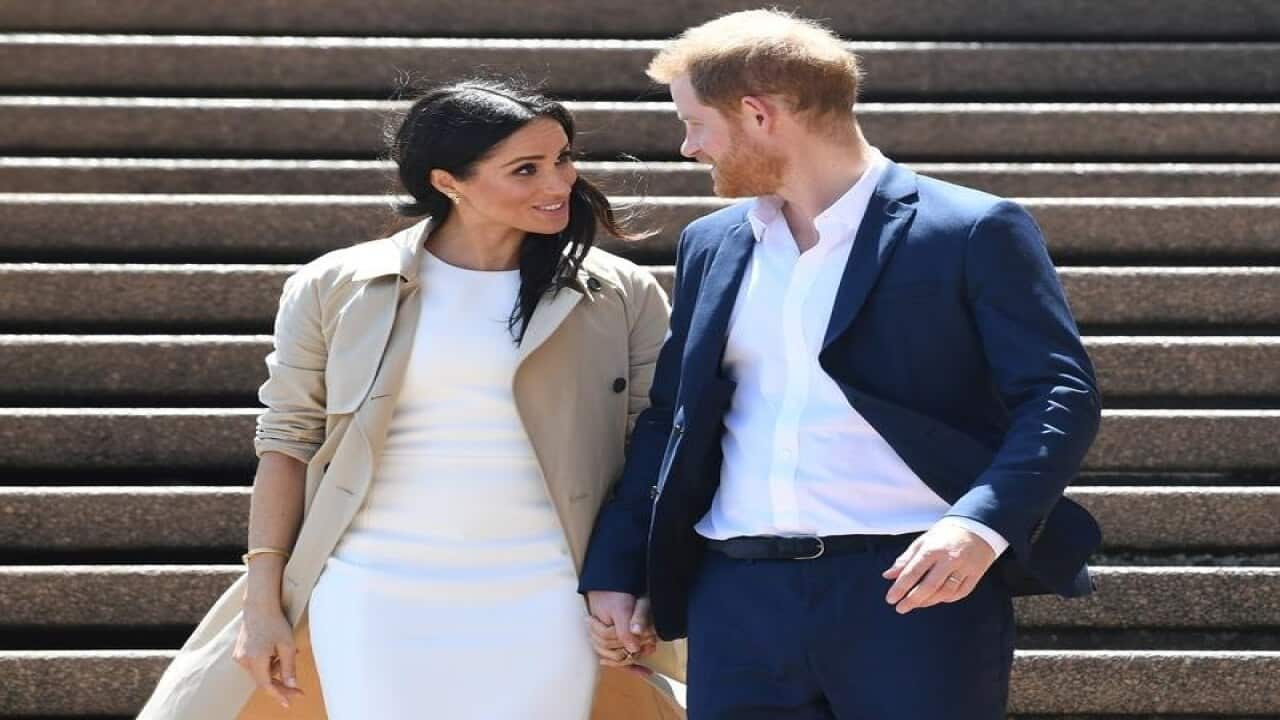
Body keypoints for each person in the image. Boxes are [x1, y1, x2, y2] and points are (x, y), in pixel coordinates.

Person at [579, 10, 1103, 719]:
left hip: (909, 588)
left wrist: (979, 526)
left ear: (759, 114)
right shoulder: (711, 243)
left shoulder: (969, 229)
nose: (686, 148)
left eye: (696, 124)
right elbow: (672, 417)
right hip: (735, 596)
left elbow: (1058, 394)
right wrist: (618, 566)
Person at [138, 79, 684, 720]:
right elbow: (286, 442)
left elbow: (654, 440)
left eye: (563, 158)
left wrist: (630, 577)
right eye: (526, 169)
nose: (558, 183)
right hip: (372, 584)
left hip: (549, 588)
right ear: (448, 182)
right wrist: (263, 603)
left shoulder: (619, 292)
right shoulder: (336, 284)